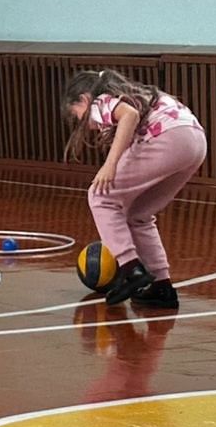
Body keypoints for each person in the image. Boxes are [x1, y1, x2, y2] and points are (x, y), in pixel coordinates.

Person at [62, 68, 206, 308]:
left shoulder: (99, 101)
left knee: (100, 196)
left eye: (77, 115)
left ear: (84, 100)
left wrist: (110, 165)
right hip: (195, 141)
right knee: (138, 215)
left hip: (168, 139)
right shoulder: (135, 93)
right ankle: (162, 287)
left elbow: (128, 116)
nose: (83, 124)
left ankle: (131, 270)